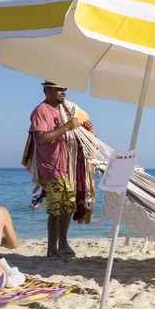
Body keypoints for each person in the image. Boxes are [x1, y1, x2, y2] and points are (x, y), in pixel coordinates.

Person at [29, 81, 93, 258]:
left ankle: (51, 249)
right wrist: (66, 127)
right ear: (47, 89)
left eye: (64, 88)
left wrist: (83, 129)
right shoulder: (41, 111)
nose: (63, 92)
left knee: (56, 209)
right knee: (67, 204)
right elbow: (40, 138)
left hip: (63, 166)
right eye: (58, 89)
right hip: (50, 167)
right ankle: (63, 244)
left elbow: (71, 132)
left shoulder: (64, 110)